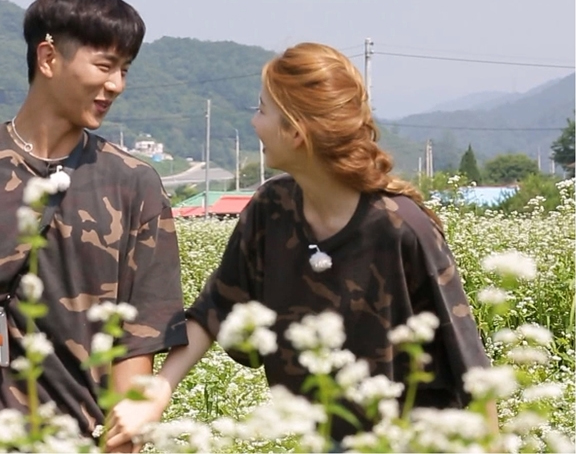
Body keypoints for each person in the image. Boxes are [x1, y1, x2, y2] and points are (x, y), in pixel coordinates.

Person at [106, 42, 495, 448]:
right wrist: (154, 396)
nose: (254, 123)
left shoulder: (401, 228)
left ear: (296, 132)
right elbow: (214, 311)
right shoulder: (271, 208)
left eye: (262, 110)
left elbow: (471, 367)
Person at [0, 0, 187, 452]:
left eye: (125, 70)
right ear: (49, 58)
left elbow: (141, 336)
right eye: (105, 66)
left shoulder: (134, 184)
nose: (116, 85)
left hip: (81, 436)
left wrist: (122, 442)